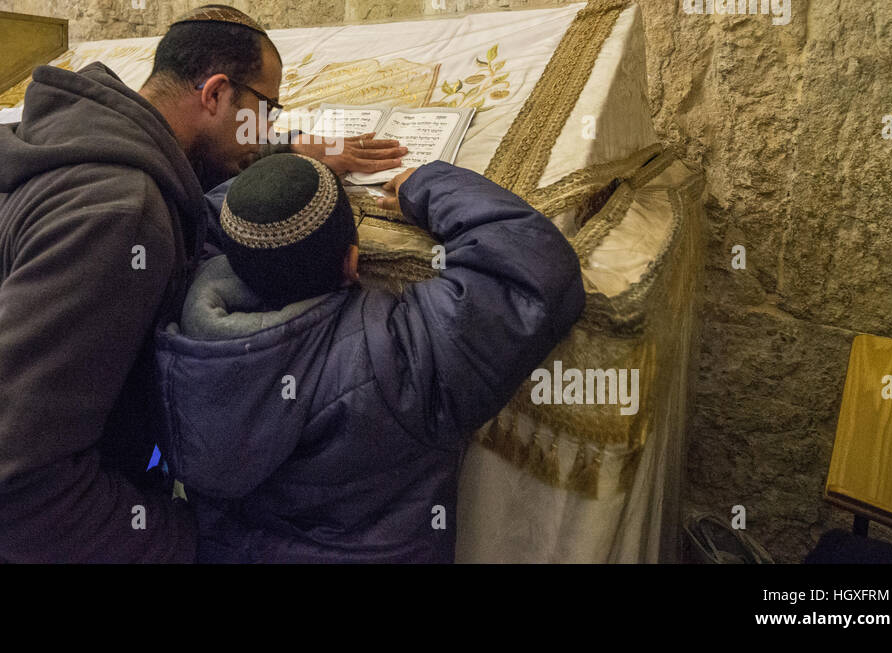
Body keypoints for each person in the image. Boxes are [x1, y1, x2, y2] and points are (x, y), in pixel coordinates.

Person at [0, 4, 407, 562]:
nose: (267, 132)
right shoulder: (120, 215)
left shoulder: (94, 140)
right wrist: (186, 536)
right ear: (214, 94)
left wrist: (289, 151)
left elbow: (193, 166)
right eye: (266, 111)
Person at [154, 152, 586, 562]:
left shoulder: (173, 317)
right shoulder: (395, 360)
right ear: (352, 264)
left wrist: (296, 166)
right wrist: (427, 184)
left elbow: (207, 213)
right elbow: (533, 266)